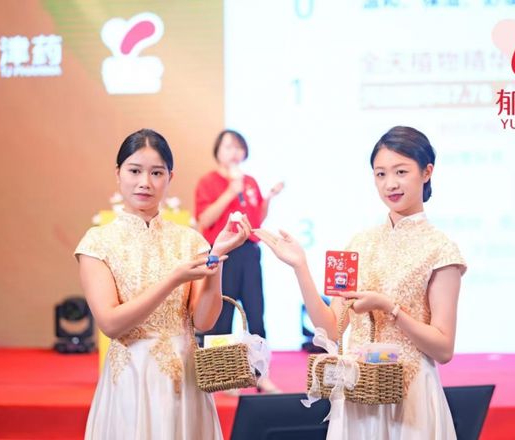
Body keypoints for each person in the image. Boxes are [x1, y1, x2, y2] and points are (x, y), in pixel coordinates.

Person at [255, 126, 466, 439]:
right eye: (380, 174)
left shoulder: (441, 249)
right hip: (357, 394)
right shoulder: (358, 244)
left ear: (427, 172)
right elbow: (331, 329)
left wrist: (390, 308)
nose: (390, 183)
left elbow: (443, 348)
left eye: (401, 171)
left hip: (410, 400)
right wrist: (300, 267)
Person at [75, 129, 251, 439]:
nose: (145, 182)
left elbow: (204, 321)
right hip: (129, 379)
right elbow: (110, 324)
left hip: (184, 379)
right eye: (135, 171)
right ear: (118, 173)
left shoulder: (190, 241)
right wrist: (172, 280)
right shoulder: (97, 242)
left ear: (170, 177)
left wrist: (217, 257)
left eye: (156, 173)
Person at [194, 129, 283, 393]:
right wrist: (230, 191)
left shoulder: (250, 182)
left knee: (256, 312)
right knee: (221, 314)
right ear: (217, 151)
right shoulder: (208, 182)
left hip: (249, 252)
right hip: (223, 254)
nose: (234, 152)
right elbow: (204, 220)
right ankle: (222, 375)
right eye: (228, 147)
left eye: (238, 147)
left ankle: (260, 374)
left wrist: (268, 199)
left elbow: (256, 220)